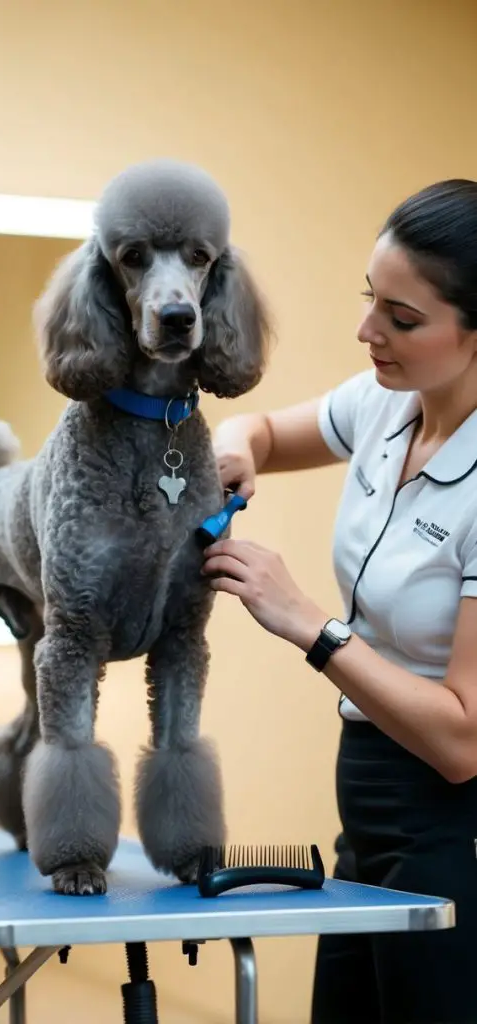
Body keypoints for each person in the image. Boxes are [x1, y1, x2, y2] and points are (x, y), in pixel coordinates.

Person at [202, 178, 477, 1024]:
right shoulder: (382, 405)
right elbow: (260, 431)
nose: (367, 333)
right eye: (371, 302)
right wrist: (232, 445)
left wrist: (309, 625)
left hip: (450, 832)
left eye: (402, 319)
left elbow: (463, 739)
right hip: (363, 819)